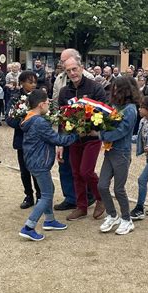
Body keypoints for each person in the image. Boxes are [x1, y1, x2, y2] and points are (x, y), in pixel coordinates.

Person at [19, 89, 79, 241]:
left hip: (33, 161)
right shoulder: (39, 122)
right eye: (47, 103)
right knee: (46, 195)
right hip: (40, 162)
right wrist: (77, 134)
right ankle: (29, 227)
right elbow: (58, 140)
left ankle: (50, 220)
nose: (48, 105)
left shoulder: (29, 118)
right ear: (41, 104)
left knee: (49, 189)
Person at [58, 56, 107, 221]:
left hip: (91, 138)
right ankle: (81, 206)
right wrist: (60, 143)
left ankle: (101, 198)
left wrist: (93, 128)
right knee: (76, 173)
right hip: (73, 139)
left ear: (81, 67)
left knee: (86, 171)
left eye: (74, 69)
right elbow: (62, 119)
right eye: (68, 71)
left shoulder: (95, 88)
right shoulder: (65, 92)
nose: (72, 73)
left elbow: (104, 112)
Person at [52, 49, 95, 212]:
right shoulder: (59, 79)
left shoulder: (88, 79)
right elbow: (57, 104)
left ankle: (88, 194)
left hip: (85, 130)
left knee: (83, 167)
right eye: (63, 62)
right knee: (64, 162)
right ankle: (70, 197)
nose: (65, 65)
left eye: (67, 60)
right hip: (66, 127)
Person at [97, 77, 139, 235]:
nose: (113, 91)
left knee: (119, 188)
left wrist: (103, 135)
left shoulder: (130, 109)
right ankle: (112, 214)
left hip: (121, 152)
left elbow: (122, 131)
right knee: (102, 185)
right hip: (110, 150)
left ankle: (127, 219)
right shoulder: (114, 106)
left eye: (117, 88)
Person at [6, 71, 41, 209]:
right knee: (24, 170)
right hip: (22, 139)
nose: (33, 85)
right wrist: (23, 123)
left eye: (34, 82)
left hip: (37, 140)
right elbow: (9, 119)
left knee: (37, 169)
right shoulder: (15, 98)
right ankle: (28, 195)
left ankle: (40, 195)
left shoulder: (39, 96)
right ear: (22, 82)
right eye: (30, 82)